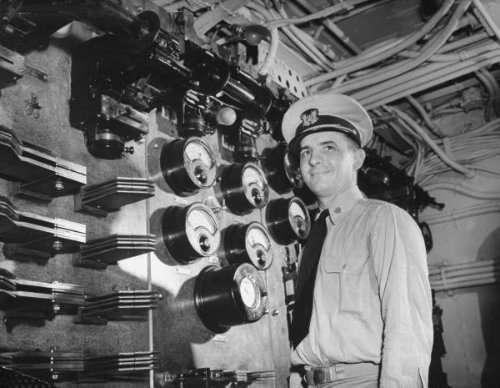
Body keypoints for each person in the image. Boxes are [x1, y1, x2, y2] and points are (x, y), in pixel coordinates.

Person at [281, 92, 433, 388]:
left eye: (329, 147)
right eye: (305, 151)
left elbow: (408, 333)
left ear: (358, 159)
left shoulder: (384, 220)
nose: (314, 159)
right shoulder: (314, 238)